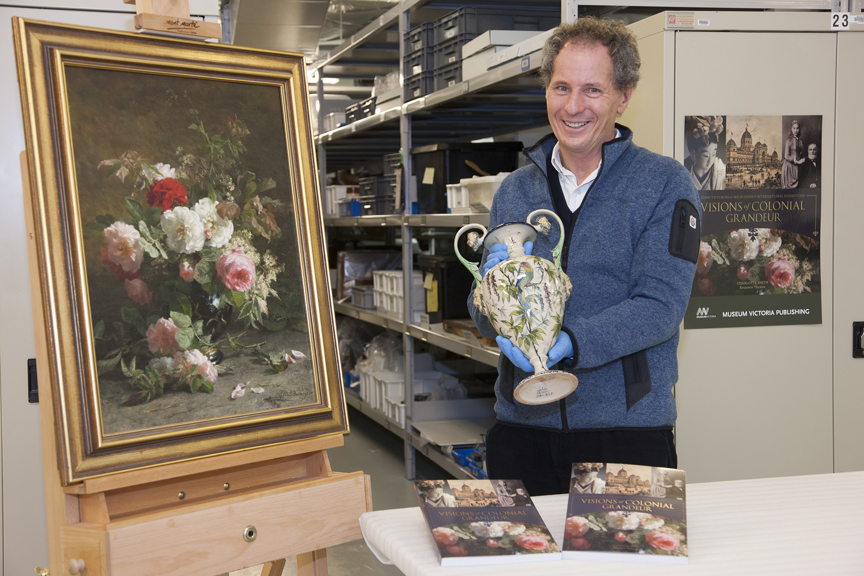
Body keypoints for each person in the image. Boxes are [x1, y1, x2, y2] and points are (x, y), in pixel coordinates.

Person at [468, 17, 700, 497]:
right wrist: (488, 303)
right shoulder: (514, 189)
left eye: (592, 89)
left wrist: (571, 341)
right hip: (521, 429)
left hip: (626, 435)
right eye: (561, 87)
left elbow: (660, 307)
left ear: (625, 94)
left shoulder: (664, 184)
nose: (573, 107)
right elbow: (488, 311)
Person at [781, 120, 805, 189]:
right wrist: (796, 161)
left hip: (797, 166)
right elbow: (786, 156)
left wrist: (803, 159)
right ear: (791, 129)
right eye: (794, 128)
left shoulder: (800, 141)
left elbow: (801, 154)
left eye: (797, 128)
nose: (795, 130)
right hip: (789, 166)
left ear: (799, 129)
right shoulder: (788, 141)